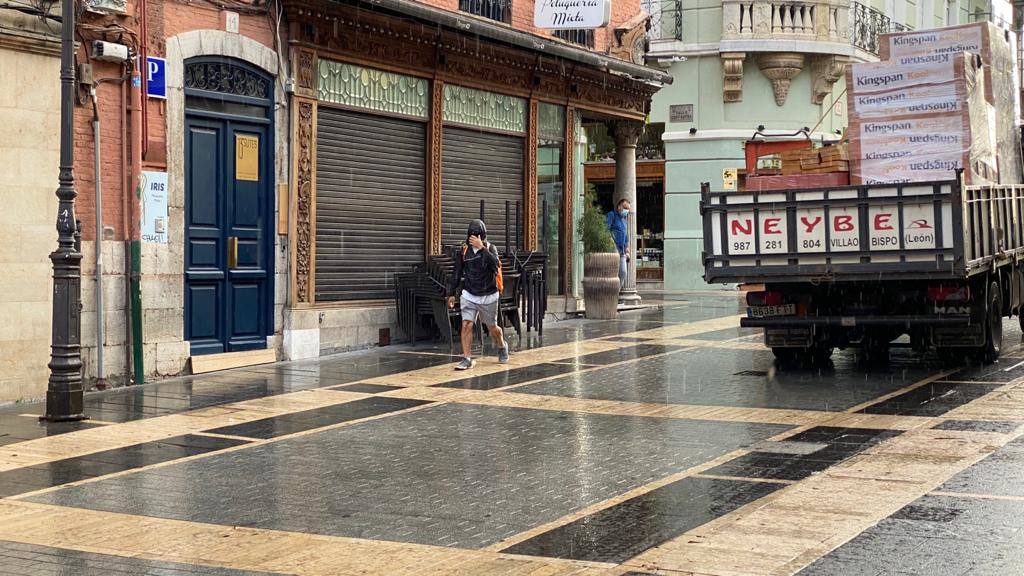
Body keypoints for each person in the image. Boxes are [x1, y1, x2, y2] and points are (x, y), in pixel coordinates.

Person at [447, 219, 509, 370]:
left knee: (492, 327)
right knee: (466, 324)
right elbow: (456, 273)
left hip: (488, 294)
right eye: (471, 235)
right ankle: (467, 358)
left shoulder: (490, 248)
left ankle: (502, 345)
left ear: (482, 236)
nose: (474, 238)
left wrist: (482, 249)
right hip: (469, 294)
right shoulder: (464, 252)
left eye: (477, 235)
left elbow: (495, 265)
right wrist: (451, 293)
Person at [606, 198, 630, 287]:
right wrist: (611, 242)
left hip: (622, 250)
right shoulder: (611, 215)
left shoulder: (624, 220)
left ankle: (616, 292)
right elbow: (606, 229)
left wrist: (627, 250)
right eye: (625, 208)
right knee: (613, 271)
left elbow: (625, 236)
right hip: (613, 247)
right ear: (619, 206)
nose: (626, 211)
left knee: (623, 272)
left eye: (628, 209)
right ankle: (611, 292)